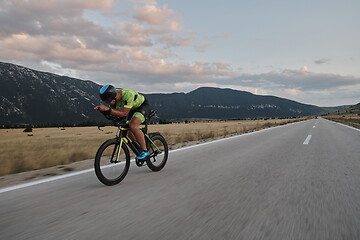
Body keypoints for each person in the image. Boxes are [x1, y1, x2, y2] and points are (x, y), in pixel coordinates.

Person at [94, 85, 151, 160]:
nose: (108, 103)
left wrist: (107, 109)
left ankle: (145, 151)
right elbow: (114, 114)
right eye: (105, 102)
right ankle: (140, 145)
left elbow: (123, 113)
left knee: (133, 125)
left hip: (142, 106)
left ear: (114, 96)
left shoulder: (128, 95)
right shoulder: (113, 96)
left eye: (108, 101)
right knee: (129, 132)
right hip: (132, 108)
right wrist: (103, 111)